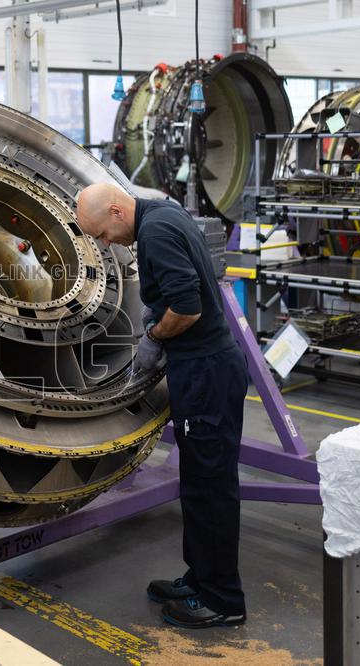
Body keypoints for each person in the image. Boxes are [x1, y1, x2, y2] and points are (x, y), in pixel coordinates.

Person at [76, 182, 247, 629]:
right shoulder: (164, 214)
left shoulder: (154, 232)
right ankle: (201, 577)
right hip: (202, 368)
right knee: (196, 481)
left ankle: (224, 600)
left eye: (104, 234)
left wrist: (152, 337)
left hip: (207, 372)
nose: (104, 243)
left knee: (211, 487)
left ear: (116, 210)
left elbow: (187, 308)